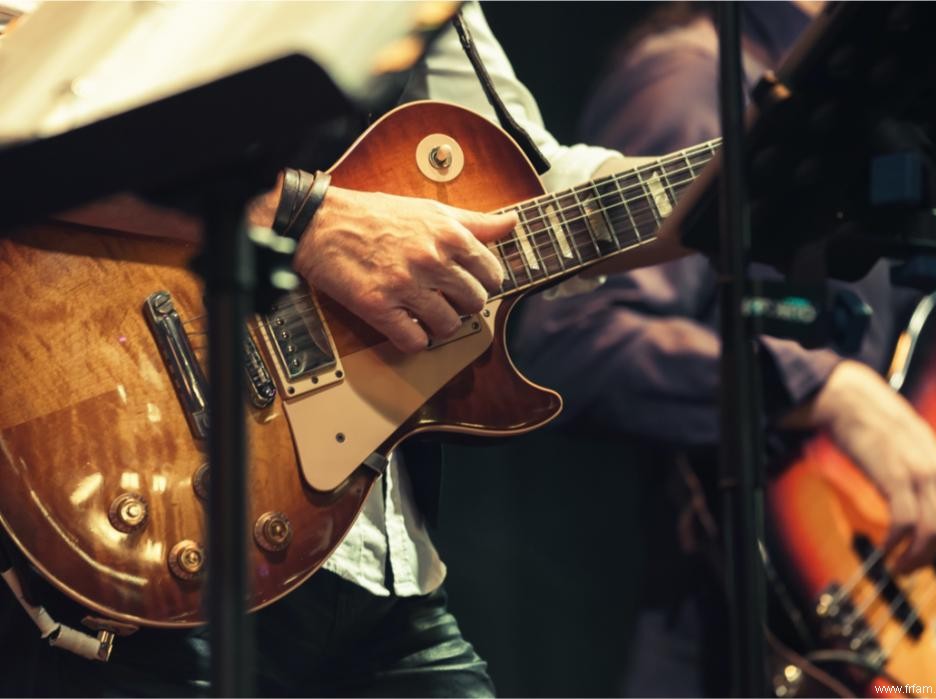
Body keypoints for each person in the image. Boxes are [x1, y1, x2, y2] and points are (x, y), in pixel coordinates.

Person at [0, 3, 636, 696]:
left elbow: (529, 182)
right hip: (157, 505)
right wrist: (306, 217)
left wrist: (719, 189)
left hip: (375, 558)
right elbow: (29, 117)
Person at [508, 1, 936, 694]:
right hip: (731, 648)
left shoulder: (891, 107)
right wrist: (828, 391)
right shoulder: (691, 79)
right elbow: (573, 338)